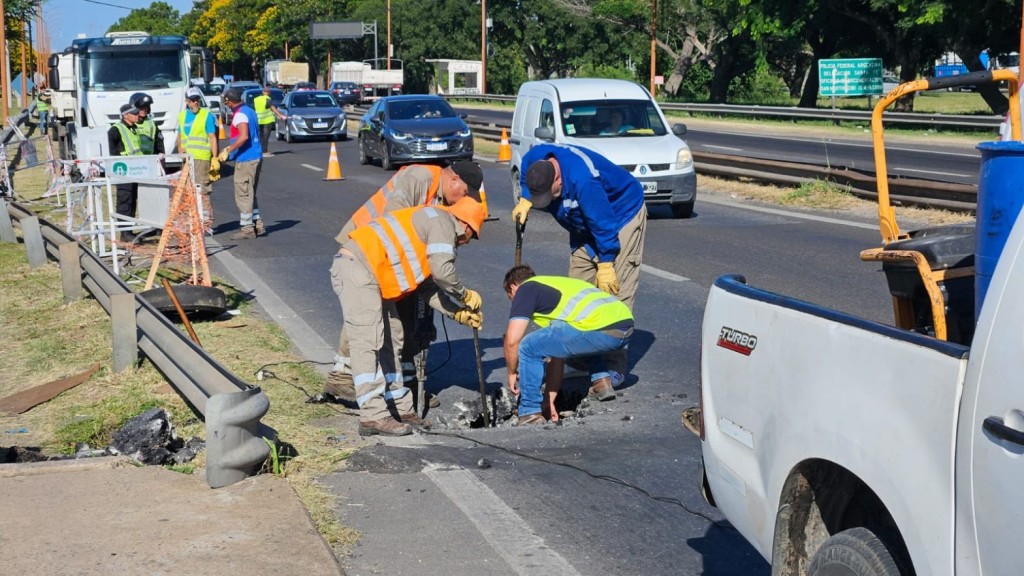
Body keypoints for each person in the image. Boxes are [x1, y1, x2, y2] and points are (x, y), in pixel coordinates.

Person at [324, 161, 485, 405]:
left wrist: (454, 310)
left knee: (397, 324)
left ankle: (400, 385)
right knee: (366, 315)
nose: (460, 201)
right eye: (463, 194)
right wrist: (459, 293)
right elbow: (394, 218)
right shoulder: (420, 177)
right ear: (454, 180)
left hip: (387, 252)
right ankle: (343, 376)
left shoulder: (440, 197)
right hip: (369, 246)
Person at [512, 143, 647, 389]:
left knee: (614, 293)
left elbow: (603, 223)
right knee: (575, 289)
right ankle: (581, 361)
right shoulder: (534, 161)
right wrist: (525, 197)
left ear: (559, 181)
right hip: (582, 222)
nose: (546, 201)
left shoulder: (583, 180)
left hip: (618, 216)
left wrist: (606, 263)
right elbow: (524, 177)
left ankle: (613, 366)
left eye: (548, 195)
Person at [502, 265, 634, 424]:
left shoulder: (526, 289)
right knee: (583, 329)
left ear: (513, 287)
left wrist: (511, 372)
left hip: (601, 328)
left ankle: (529, 411)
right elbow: (557, 355)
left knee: (528, 347)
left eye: (511, 298)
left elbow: (512, 340)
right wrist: (549, 401)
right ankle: (601, 383)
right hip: (624, 327)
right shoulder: (558, 286)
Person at [218, 87, 265, 240]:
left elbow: (243, 136)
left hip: (246, 159)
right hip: (256, 156)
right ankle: (257, 224)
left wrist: (229, 149)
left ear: (229, 102)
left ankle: (247, 228)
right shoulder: (250, 111)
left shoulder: (239, 115)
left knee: (243, 194)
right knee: (250, 192)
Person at [178, 87, 220, 233]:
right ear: (187, 101)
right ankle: (193, 222)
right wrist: (180, 151)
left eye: (197, 100)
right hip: (187, 159)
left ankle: (205, 224)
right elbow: (180, 136)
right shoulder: (182, 116)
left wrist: (214, 158)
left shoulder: (206, 115)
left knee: (202, 190)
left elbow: (212, 137)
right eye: (192, 101)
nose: (195, 103)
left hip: (202, 158)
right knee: (188, 190)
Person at [107, 102, 143, 241]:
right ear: (125, 115)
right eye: (134, 113)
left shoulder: (133, 128)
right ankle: (124, 233)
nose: (137, 115)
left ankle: (129, 230)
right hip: (123, 170)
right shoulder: (116, 129)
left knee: (132, 201)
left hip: (135, 170)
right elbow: (110, 150)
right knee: (125, 200)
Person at [130, 92, 166, 159]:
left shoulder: (152, 124)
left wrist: (161, 160)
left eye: (146, 107)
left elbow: (159, 144)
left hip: (149, 160)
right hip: (132, 162)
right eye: (141, 107)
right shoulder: (128, 124)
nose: (144, 110)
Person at [253, 85, 286, 157]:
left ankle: (259, 150)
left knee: (261, 136)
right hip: (267, 121)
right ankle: (264, 151)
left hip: (259, 120)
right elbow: (273, 109)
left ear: (262, 92)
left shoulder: (256, 99)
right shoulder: (268, 99)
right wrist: (281, 116)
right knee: (265, 136)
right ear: (269, 93)